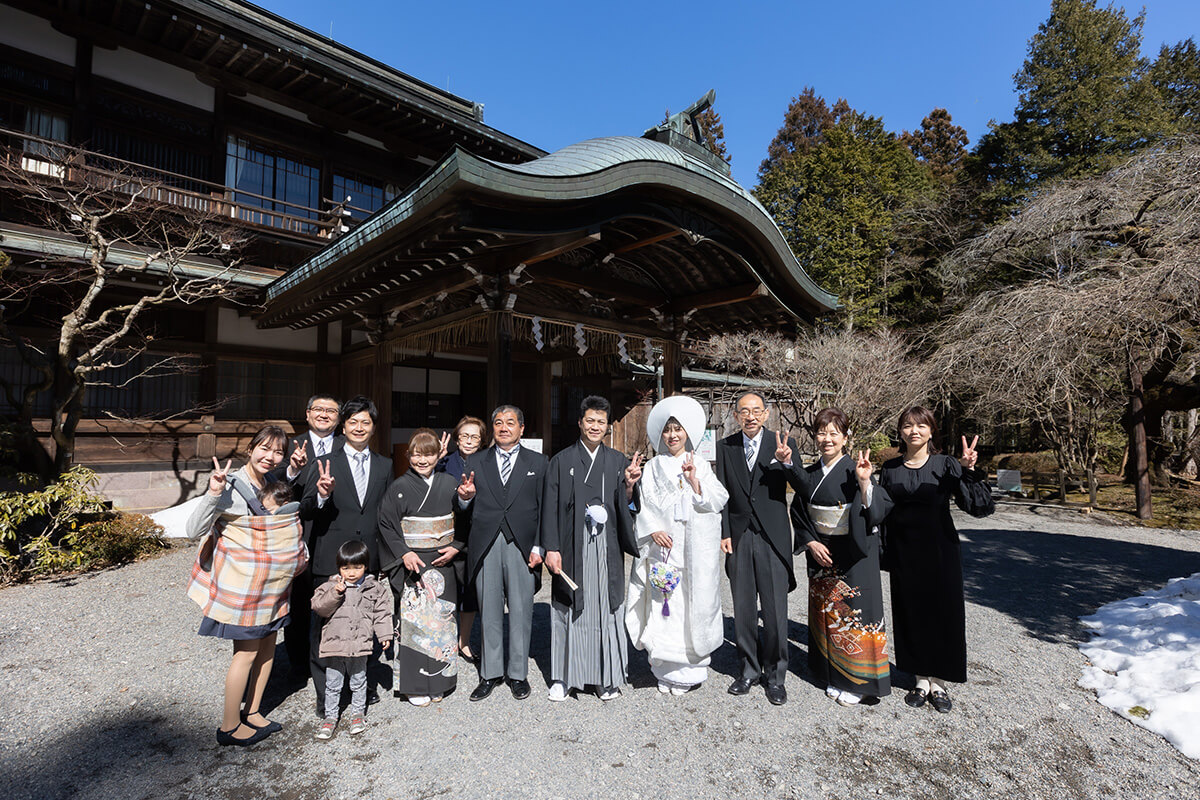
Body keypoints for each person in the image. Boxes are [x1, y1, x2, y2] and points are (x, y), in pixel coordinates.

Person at [185, 425, 308, 746]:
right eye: (264, 449)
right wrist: (213, 492)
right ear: (251, 449)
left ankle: (252, 711)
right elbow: (193, 528)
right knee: (246, 653)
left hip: (271, 586)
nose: (270, 457)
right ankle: (228, 725)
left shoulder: (267, 485)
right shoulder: (230, 485)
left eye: (277, 452)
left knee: (268, 645)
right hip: (244, 587)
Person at [879, 406, 993, 714]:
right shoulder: (889, 469)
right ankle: (919, 678)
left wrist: (968, 471)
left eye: (921, 425)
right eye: (907, 425)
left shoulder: (945, 464)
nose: (914, 430)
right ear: (900, 431)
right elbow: (881, 512)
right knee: (909, 612)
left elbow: (978, 507)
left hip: (940, 550)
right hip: (904, 552)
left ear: (931, 431)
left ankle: (939, 681)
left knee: (944, 613)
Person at [788, 407, 893, 707]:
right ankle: (833, 673)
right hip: (821, 553)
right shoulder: (810, 474)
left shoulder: (856, 469)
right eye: (821, 432)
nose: (827, 439)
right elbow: (799, 511)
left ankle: (859, 682)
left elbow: (876, 511)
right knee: (828, 617)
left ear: (846, 438)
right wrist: (809, 542)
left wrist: (864, 483)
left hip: (854, 554)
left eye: (834, 433)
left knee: (855, 617)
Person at [626, 395, 728, 694]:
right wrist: (653, 529)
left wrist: (696, 482)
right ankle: (665, 670)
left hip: (693, 549)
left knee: (690, 608)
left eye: (678, 429)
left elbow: (719, 499)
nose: (672, 435)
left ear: (687, 433)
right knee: (664, 607)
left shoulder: (699, 463)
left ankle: (688, 673)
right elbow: (644, 504)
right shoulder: (654, 466)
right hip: (663, 549)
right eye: (668, 430)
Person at [542, 395, 641, 702]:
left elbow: (628, 506)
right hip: (572, 546)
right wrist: (551, 547)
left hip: (606, 545)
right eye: (590, 421)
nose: (595, 426)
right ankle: (564, 676)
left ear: (607, 426)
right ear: (580, 423)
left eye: (601, 422)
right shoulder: (561, 461)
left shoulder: (617, 461)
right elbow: (549, 508)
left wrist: (629, 485)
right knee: (569, 605)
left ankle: (605, 677)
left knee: (605, 608)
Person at [300, 395, 392, 718]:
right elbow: (307, 507)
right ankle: (326, 695)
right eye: (352, 421)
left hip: (367, 558)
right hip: (331, 556)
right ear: (344, 425)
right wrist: (323, 495)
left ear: (373, 427)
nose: (358, 427)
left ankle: (360, 687)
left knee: (362, 624)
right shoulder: (325, 459)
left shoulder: (384, 465)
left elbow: (384, 513)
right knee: (325, 629)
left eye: (365, 422)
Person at [714, 391, 801, 705]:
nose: (750, 416)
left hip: (772, 537)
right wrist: (724, 532)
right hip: (739, 537)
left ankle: (775, 675)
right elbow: (721, 494)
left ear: (766, 414)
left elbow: (802, 485)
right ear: (736, 416)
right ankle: (748, 669)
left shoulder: (782, 445)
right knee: (744, 609)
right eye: (743, 411)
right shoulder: (725, 448)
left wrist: (787, 461)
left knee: (775, 611)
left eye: (756, 411)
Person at [454, 405, 547, 701]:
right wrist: (465, 499)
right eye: (498, 423)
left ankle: (518, 674)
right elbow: (463, 504)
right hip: (487, 541)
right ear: (492, 429)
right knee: (489, 610)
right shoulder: (477, 460)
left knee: (521, 610)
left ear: (522, 428)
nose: (504, 427)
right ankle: (491, 673)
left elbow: (546, 508)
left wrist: (539, 545)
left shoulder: (539, 462)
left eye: (510, 423)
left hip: (522, 543)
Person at [378, 428, 466, 706]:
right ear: (408, 456)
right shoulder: (399, 487)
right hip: (413, 562)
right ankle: (415, 685)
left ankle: (439, 679)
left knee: (442, 621)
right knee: (415, 622)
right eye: (416, 455)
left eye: (428, 454)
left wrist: (458, 546)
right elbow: (386, 524)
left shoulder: (450, 482)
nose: (422, 460)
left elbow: (465, 518)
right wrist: (403, 553)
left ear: (438, 454)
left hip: (444, 562)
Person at [272, 393, 343, 683]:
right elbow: (272, 483)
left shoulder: (347, 444)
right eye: (319, 409)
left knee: (337, 598)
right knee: (299, 602)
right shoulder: (292, 444)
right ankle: (299, 665)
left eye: (332, 411)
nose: (325, 414)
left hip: (336, 530)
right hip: (299, 533)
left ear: (339, 418)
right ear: (308, 413)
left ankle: (336, 658)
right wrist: (292, 470)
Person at [311, 540, 394, 740]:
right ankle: (330, 717)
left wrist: (385, 634)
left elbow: (382, 613)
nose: (351, 573)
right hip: (335, 645)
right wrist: (335, 593)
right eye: (346, 568)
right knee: (333, 683)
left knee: (359, 681)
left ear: (366, 566)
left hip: (360, 644)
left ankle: (358, 714)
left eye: (357, 567)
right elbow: (319, 607)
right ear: (339, 567)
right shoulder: (330, 586)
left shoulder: (373, 588)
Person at [436, 415, 487, 665]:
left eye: (474, 436)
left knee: (470, 592)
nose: (469, 441)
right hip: (446, 535)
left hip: (474, 536)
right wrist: (436, 460)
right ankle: (443, 640)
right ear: (456, 438)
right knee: (444, 592)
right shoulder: (444, 462)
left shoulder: (486, 463)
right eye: (464, 435)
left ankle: (463, 642)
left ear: (482, 441)